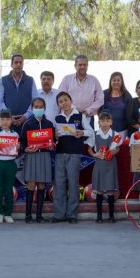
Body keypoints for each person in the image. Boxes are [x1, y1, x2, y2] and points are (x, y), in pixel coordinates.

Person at [52, 91, 92, 224]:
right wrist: (56, 136)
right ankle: (59, 214)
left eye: (66, 100)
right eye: (61, 102)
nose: (64, 103)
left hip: (75, 153)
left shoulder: (80, 116)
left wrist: (82, 132)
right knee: (59, 184)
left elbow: (90, 132)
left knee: (73, 183)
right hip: (60, 153)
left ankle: (72, 214)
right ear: (58, 104)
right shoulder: (57, 118)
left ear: (71, 100)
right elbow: (52, 138)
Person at [20, 97, 55, 223]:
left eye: (41, 106)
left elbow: (52, 141)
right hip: (31, 157)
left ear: (44, 108)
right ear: (32, 108)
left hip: (44, 156)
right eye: (36, 106)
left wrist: (52, 145)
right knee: (31, 185)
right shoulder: (27, 124)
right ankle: (28, 215)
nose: (38, 109)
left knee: (41, 185)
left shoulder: (49, 124)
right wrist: (26, 149)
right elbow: (22, 142)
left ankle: (39, 216)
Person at [87, 110, 120, 223]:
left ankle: (111, 216)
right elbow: (89, 149)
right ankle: (99, 216)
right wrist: (94, 154)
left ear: (111, 122)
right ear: (99, 122)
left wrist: (113, 152)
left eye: (107, 120)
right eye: (102, 121)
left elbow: (118, 148)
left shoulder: (115, 134)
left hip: (110, 164)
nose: (105, 123)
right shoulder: (94, 134)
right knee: (99, 190)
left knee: (110, 190)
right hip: (99, 163)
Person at [0, 110, 20, 224]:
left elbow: (16, 150)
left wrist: (18, 147)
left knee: (8, 189)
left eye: (7, 119)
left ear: (11, 120)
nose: (5, 122)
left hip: (10, 163)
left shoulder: (15, 135)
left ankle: (8, 213)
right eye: (2, 119)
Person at [57, 55, 104, 125]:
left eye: (84, 65)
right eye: (80, 65)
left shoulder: (94, 80)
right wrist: (74, 110)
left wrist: (87, 111)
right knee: (69, 136)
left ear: (87, 66)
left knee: (88, 135)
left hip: (88, 117)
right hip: (69, 117)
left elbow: (100, 99)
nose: (82, 67)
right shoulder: (67, 79)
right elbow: (60, 97)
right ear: (75, 66)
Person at [0, 54, 37, 131]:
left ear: (23, 64)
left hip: (27, 122)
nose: (18, 64)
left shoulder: (30, 80)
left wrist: (26, 116)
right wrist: (8, 116)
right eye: (16, 62)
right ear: (11, 64)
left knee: (25, 143)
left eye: (20, 62)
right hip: (7, 123)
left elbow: (34, 101)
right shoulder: (3, 80)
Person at [101, 72, 132, 136]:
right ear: (110, 81)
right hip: (106, 129)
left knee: (121, 146)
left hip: (122, 130)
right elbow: (99, 110)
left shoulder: (127, 95)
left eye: (118, 80)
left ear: (122, 82)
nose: (116, 82)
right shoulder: (104, 94)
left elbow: (130, 113)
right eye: (114, 80)